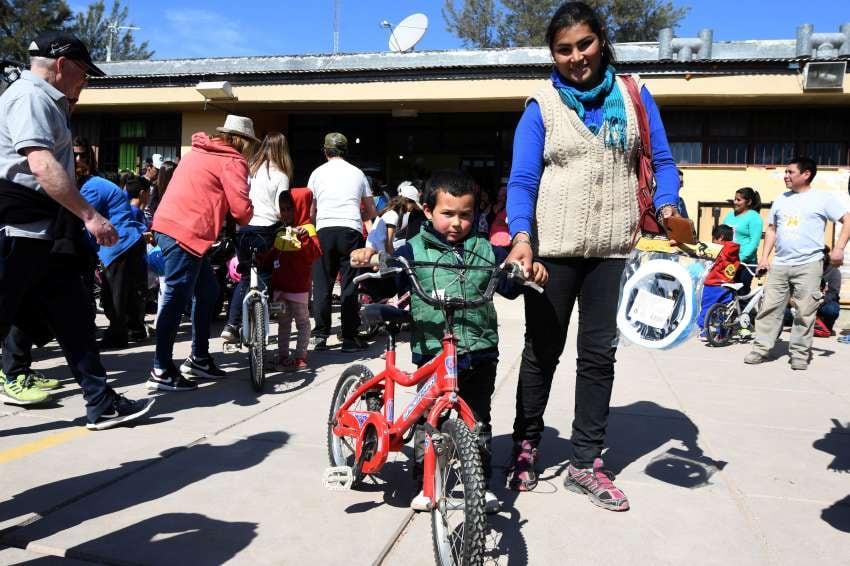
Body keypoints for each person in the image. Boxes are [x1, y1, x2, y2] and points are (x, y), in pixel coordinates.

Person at [503, 2, 679, 510]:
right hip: (552, 251)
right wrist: (521, 237)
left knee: (599, 358)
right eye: (564, 49)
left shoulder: (634, 94)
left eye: (584, 44)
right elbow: (522, 180)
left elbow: (662, 161)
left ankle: (584, 462)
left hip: (612, 250)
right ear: (552, 54)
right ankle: (526, 446)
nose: (576, 57)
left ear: (602, 39)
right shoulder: (541, 105)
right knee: (541, 353)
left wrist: (668, 205)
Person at [351, 170, 549, 514]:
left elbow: (508, 285)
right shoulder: (413, 250)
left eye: (465, 215)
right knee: (429, 420)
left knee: (479, 422)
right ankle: (425, 482)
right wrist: (369, 265)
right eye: (448, 214)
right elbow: (390, 278)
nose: (456, 223)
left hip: (480, 350)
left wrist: (528, 272)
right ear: (427, 211)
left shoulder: (486, 249)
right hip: (433, 350)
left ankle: (481, 485)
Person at [0, 31, 152, 429]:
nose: (85, 80)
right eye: (83, 72)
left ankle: (100, 402)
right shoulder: (30, 97)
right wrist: (90, 215)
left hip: (45, 235)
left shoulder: (48, 101)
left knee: (76, 318)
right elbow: (40, 164)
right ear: (63, 65)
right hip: (17, 232)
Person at [148, 114, 255, 391]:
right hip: (187, 234)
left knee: (207, 290)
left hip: (168, 226)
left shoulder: (197, 151)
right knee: (174, 298)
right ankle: (161, 368)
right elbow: (242, 211)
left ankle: (199, 357)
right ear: (241, 141)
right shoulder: (232, 160)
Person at [745, 157, 850, 370]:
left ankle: (800, 354)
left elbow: (847, 219)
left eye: (790, 172)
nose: (785, 176)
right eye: (785, 172)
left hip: (809, 264)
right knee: (769, 308)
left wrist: (839, 248)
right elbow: (772, 229)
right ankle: (761, 348)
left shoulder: (822, 199)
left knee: (805, 311)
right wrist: (765, 257)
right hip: (781, 264)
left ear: (806, 174)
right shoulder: (781, 199)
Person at [75, 137, 148, 348]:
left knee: (113, 296)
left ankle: (117, 336)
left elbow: (80, 218)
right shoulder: (96, 183)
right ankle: (133, 329)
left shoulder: (89, 188)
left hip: (118, 245)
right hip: (126, 243)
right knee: (123, 293)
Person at [220, 131, 293, 343]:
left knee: (244, 278)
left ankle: (232, 325)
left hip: (244, 229)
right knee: (266, 275)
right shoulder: (281, 176)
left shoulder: (250, 171)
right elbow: (282, 210)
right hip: (266, 231)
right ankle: (262, 320)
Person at [308, 132, 377, 352]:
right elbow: (370, 209)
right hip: (351, 230)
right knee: (350, 285)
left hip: (324, 230)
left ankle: (320, 336)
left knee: (322, 284)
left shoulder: (317, 173)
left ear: (326, 151)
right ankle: (349, 338)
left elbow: (310, 211)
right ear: (346, 151)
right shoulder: (358, 174)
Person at [266, 189, 321, 371]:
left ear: (300, 208)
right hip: (281, 287)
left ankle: (300, 356)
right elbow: (274, 252)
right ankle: (283, 355)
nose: (286, 213)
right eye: (283, 209)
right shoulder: (281, 230)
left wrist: (304, 238)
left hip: (298, 288)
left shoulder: (307, 230)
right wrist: (261, 258)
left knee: (302, 322)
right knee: (283, 323)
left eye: (290, 209)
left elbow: (314, 254)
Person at [696, 225, 740, 334]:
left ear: (720, 237)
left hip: (713, 284)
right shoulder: (734, 250)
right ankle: (722, 333)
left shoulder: (718, 249)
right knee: (723, 310)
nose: (713, 242)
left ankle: (704, 331)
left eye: (714, 239)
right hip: (727, 284)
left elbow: (699, 251)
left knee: (707, 308)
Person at [722, 187, 763, 293]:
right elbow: (722, 236)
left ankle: (744, 309)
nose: (735, 202)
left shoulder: (754, 217)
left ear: (748, 202)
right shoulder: (730, 216)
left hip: (745, 264)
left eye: (739, 200)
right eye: (735, 199)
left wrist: (741, 259)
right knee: (726, 292)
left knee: (741, 294)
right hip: (728, 261)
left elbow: (754, 243)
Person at [365, 182, 421, 254]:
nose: (413, 208)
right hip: (377, 253)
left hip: (376, 249)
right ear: (407, 201)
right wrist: (396, 258)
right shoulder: (393, 216)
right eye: (413, 205)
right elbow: (388, 245)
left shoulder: (390, 211)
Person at [819, 246, 841, 334]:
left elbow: (833, 293)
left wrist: (819, 302)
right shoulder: (806, 269)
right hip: (806, 302)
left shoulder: (834, 271)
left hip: (824, 303)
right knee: (786, 313)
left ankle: (827, 326)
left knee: (831, 309)